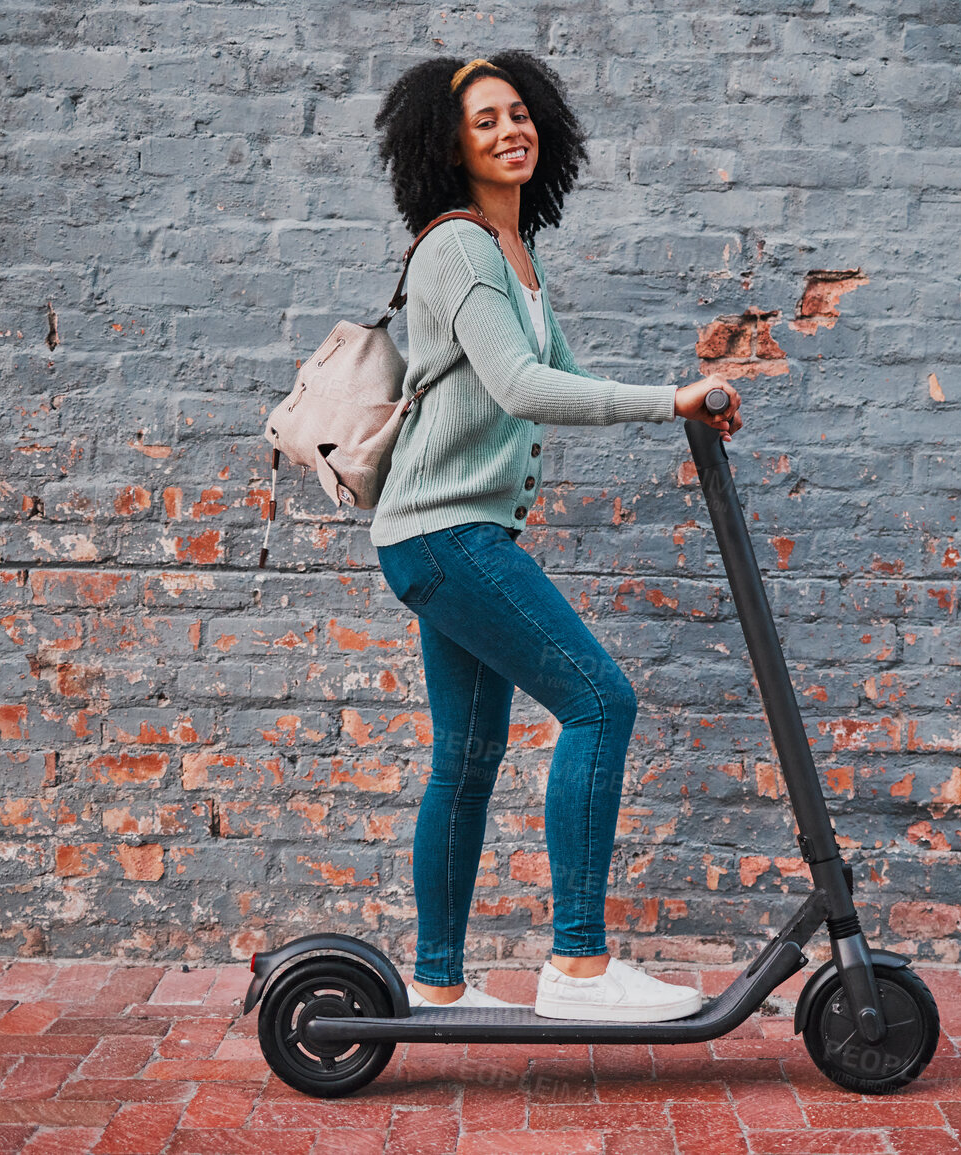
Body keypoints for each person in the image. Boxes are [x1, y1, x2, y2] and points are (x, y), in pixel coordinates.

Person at [368, 52, 742, 1022]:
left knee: (468, 754)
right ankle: (578, 966)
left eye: (520, 114)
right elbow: (523, 388)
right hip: (447, 536)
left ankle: (437, 982)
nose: (509, 131)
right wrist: (669, 399)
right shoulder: (455, 249)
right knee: (600, 702)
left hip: (445, 534)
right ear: (449, 145)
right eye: (485, 120)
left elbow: (566, 371)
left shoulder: (515, 251)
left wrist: (682, 405)